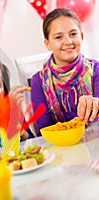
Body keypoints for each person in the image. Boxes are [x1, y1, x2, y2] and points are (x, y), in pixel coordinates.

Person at [31, 8, 99, 136]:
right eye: (58, 37)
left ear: (82, 36)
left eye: (73, 34)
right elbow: (44, 131)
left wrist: (96, 103)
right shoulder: (38, 81)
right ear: (47, 44)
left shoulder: (96, 69)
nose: (68, 41)